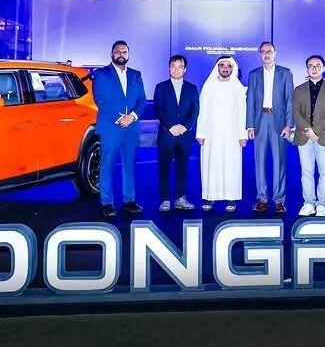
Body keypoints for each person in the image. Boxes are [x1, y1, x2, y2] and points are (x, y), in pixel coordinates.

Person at [91, 40, 147, 217]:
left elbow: (142, 100)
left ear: (128, 54)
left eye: (124, 51)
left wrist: (132, 117)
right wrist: (119, 118)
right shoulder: (101, 74)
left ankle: (129, 200)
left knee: (129, 164)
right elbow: (100, 100)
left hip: (131, 127)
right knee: (107, 164)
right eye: (117, 51)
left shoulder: (136, 75)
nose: (121, 54)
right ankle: (107, 203)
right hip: (110, 127)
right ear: (111, 54)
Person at [246, 41, 294, 214]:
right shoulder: (254, 74)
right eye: (263, 51)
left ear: (275, 53)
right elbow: (250, 101)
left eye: (269, 51)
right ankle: (262, 199)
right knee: (259, 161)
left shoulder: (285, 73)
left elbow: (290, 100)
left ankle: (279, 200)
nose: (266, 54)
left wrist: (289, 124)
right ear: (260, 54)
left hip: (278, 121)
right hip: (259, 121)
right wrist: (249, 125)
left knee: (279, 161)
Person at [197, 56, 247, 212]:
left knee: (231, 165)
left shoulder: (238, 88)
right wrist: (201, 132)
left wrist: (242, 135)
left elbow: (242, 113)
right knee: (211, 164)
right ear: (217, 67)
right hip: (211, 133)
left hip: (232, 134)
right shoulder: (208, 86)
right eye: (222, 65)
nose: (225, 68)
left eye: (228, 66)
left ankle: (231, 198)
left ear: (233, 69)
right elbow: (202, 111)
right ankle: (210, 197)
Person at [293, 54, 325, 217]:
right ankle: (308, 203)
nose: (314, 69)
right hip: (304, 136)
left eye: (318, 66)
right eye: (311, 66)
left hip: (324, 136)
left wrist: (315, 131)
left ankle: (322, 204)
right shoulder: (299, 89)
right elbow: (296, 112)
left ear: (323, 68)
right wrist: (308, 130)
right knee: (306, 171)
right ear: (307, 69)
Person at [154, 54, 199, 212]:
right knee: (164, 167)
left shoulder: (192, 88)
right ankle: (165, 199)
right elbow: (158, 109)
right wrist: (170, 126)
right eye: (173, 66)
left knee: (182, 167)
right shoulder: (161, 87)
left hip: (185, 135)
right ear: (169, 68)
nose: (176, 69)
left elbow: (195, 111)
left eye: (180, 67)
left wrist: (185, 127)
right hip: (166, 134)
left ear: (185, 69)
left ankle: (180, 198)